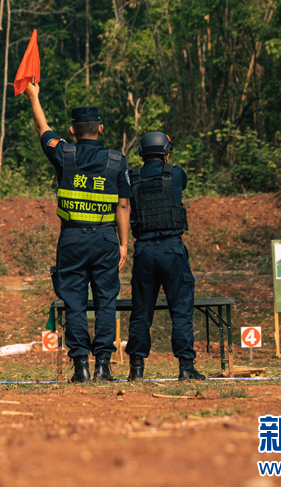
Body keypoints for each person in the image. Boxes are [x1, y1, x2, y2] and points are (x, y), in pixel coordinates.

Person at [24, 82, 131, 382]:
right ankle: (103, 367)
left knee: (74, 303)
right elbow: (123, 205)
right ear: (100, 128)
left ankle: (81, 367)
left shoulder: (64, 154)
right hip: (106, 239)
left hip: (71, 240)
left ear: (72, 131)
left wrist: (34, 97)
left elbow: (43, 128)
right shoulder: (116, 160)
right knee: (106, 302)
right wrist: (123, 244)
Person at [125, 131, 205, 381]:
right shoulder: (176, 173)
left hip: (144, 251)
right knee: (180, 310)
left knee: (141, 312)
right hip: (172, 249)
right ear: (167, 153)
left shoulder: (132, 177)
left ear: (142, 153)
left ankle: (136, 369)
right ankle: (185, 367)